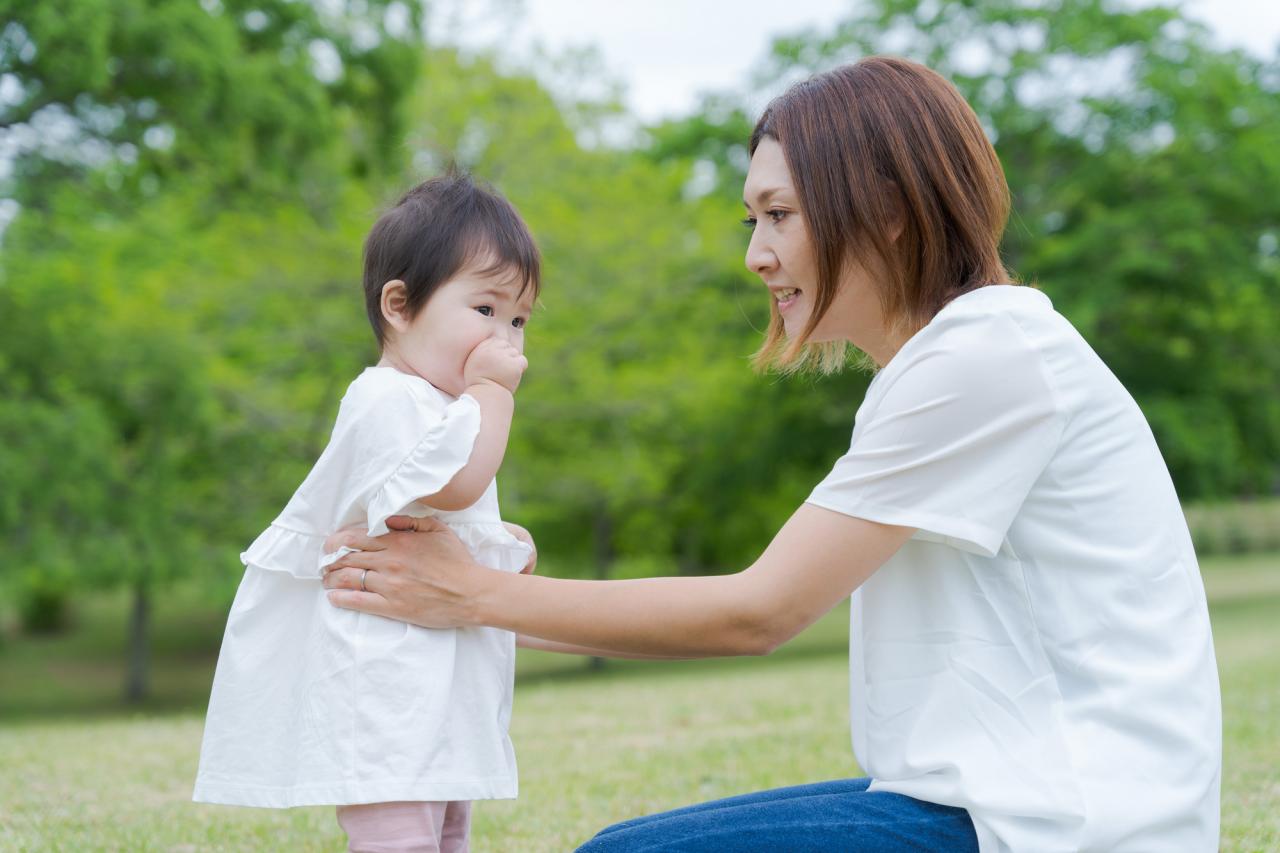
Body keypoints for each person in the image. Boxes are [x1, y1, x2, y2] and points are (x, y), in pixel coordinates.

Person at [320, 57, 1222, 852]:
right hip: (996, 803)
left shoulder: (985, 359)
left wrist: (473, 593)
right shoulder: (951, 362)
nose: (757, 255)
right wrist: (451, 596)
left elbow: (760, 611)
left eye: (779, 214)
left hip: (1063, 823)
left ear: (891, 210)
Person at [193, 174, 545, 853]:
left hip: (433, 679)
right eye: (485, 308)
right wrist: (495, 394)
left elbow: (431, 516)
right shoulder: (389, 398)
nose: (506, 339)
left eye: (519, 319)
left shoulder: (441, 407)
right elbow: (459, 486)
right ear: (400, 305)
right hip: (385, 681)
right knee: (400, 835)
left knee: (445, 829)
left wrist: (498, 540)